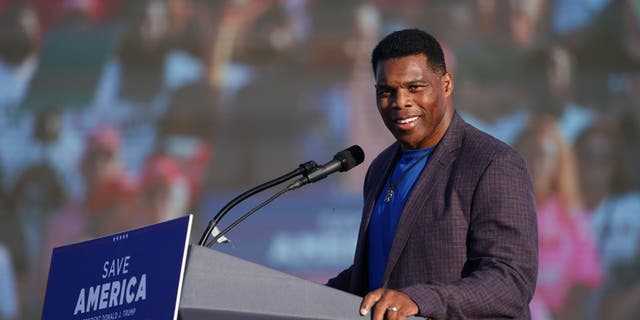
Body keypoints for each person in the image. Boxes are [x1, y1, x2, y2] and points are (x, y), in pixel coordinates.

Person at [326, 29, 538, 319]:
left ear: (447, 84)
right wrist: (296, 295)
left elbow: (511, 280)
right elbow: (379, 274)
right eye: (386, 91)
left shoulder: (493, 163)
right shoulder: (379, 167)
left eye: (415, 87)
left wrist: (419, 300)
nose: (400, 102)